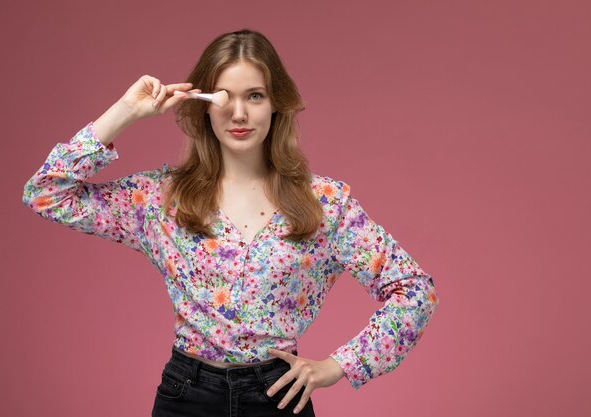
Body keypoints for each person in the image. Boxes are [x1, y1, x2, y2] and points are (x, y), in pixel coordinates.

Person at [22, 29, 439, 417]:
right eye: (224, 96)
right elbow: (46, 194)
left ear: (276, 103)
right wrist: (125, 112)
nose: (239, 113)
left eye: (254, 95)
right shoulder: (162, 198)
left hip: (279, 396)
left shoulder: (325, 203)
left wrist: (338, 366)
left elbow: (414, 290)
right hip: (187, 395)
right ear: (203, 104)